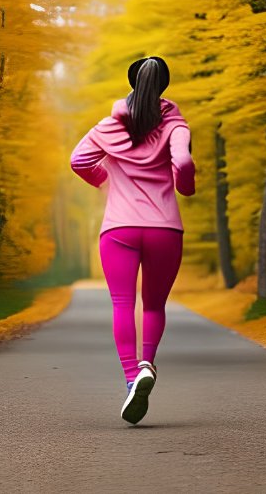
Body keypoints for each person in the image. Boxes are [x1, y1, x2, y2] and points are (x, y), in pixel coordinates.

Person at [69, 56, 195, 425]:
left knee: (122, 304)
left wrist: (103, 180)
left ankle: (130, 381)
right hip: (164, 230)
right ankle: (147, 366)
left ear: (131, 85)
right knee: (154, 305)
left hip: (119, 229)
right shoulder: (176, 125)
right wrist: (183, 185)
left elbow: (78, 160)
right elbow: (183, 164)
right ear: (164, 88)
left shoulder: (108, 126)